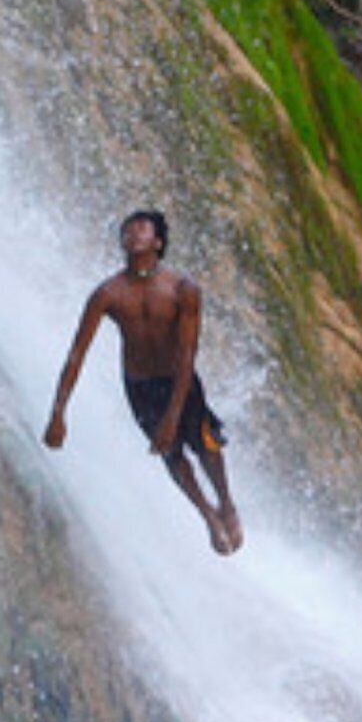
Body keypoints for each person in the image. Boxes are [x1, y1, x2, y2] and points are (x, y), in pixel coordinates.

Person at [42, 208, 240, 554]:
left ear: (158, 242)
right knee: (171, 454)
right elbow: (77, 354)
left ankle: (226, 502)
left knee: (206, 443)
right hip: (140, 385)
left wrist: (173, 415)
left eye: (141, 229)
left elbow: (187, 352)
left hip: (180, 378)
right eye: (128, 229)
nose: (132, 233)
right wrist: (58, 413)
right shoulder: (108, 294)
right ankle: (207, 514)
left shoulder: (182, 289)